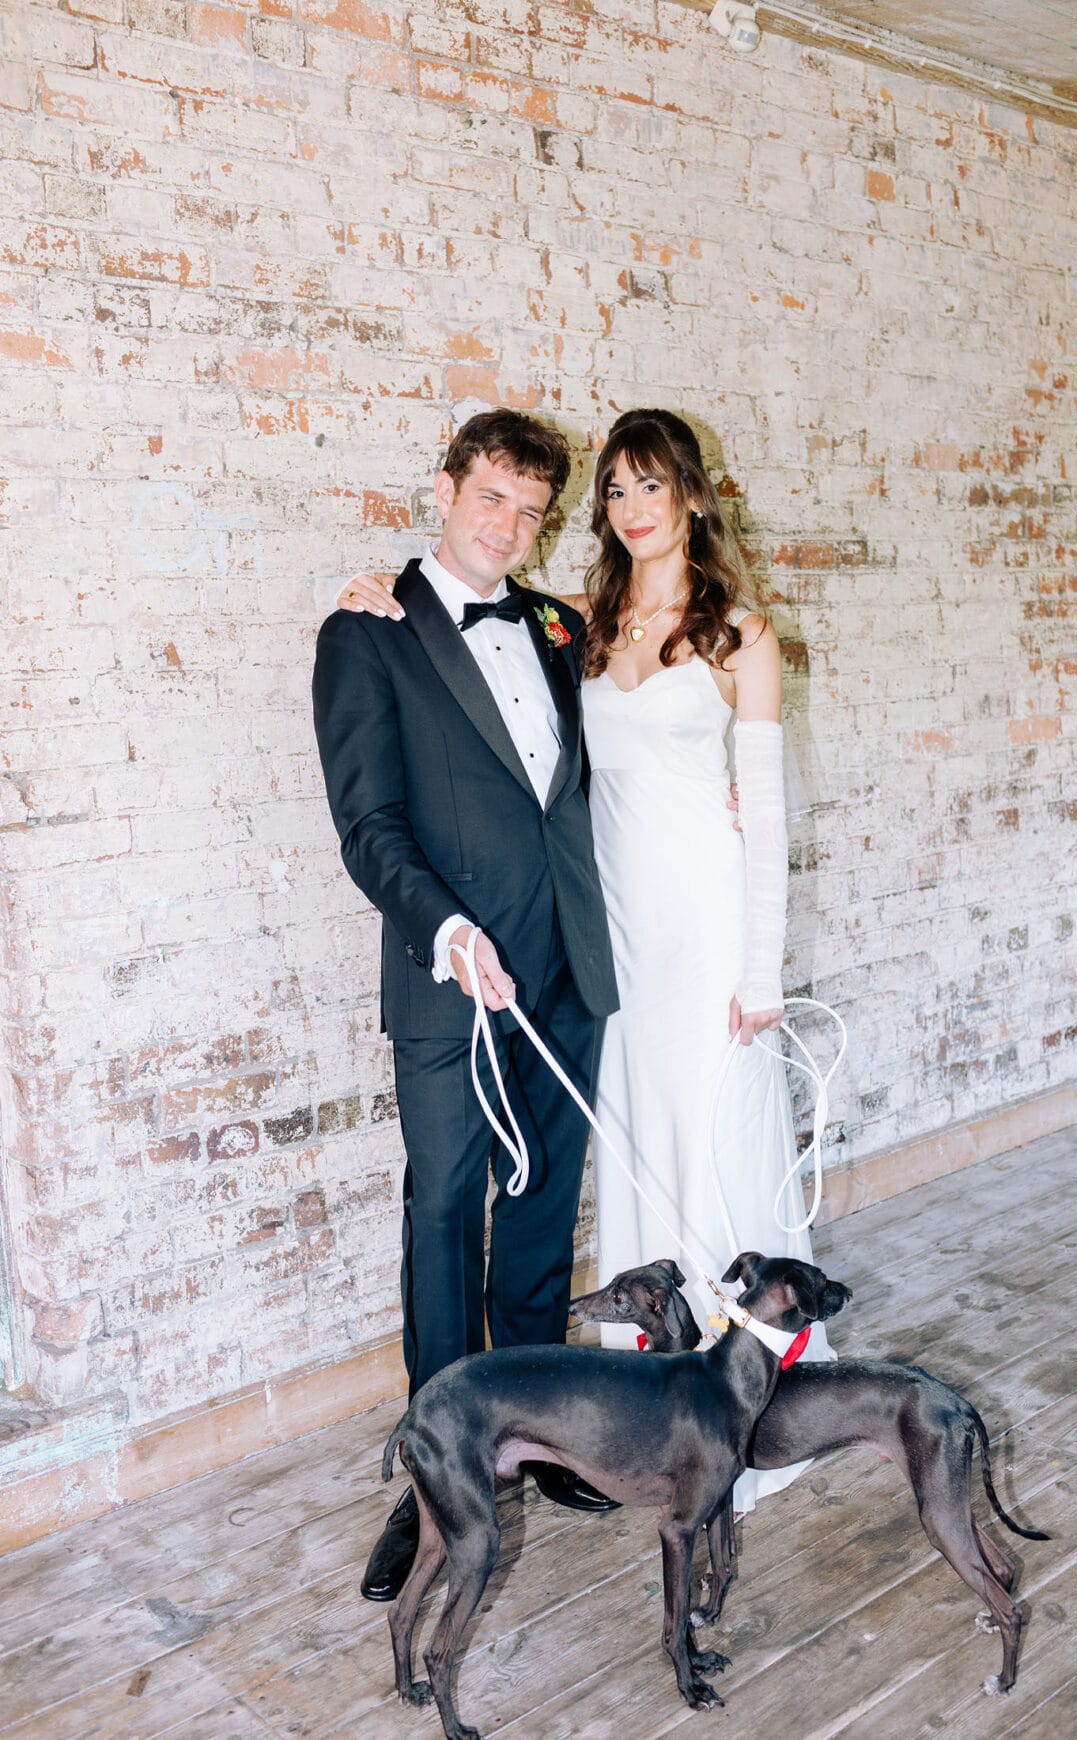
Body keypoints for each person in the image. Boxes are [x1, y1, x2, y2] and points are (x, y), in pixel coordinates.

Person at [340, 407, 834, 1518]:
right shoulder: (582, 629)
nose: (632, 507)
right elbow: (404, 793)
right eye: (615, 489)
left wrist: (760, 969)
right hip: (592, 946)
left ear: (693, 494)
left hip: (692, 932)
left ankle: (731, 1411)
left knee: (700, 1148)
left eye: (651, 485)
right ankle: (517, 1450)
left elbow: (762, 814)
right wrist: (374, 591)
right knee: (589, 1165)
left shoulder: (720, 635)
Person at [313, 410, 621, 1606]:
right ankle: (439, 1475)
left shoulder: (557, 628)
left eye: (530, 510)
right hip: (450, 976)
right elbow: (367, 824)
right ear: (443, 491)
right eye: (490, 496)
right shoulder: (367, 631)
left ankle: (539, 1437)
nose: (506, 525)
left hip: (566, 969)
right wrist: (448, 933)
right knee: (443, 1214)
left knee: (539, 1209)